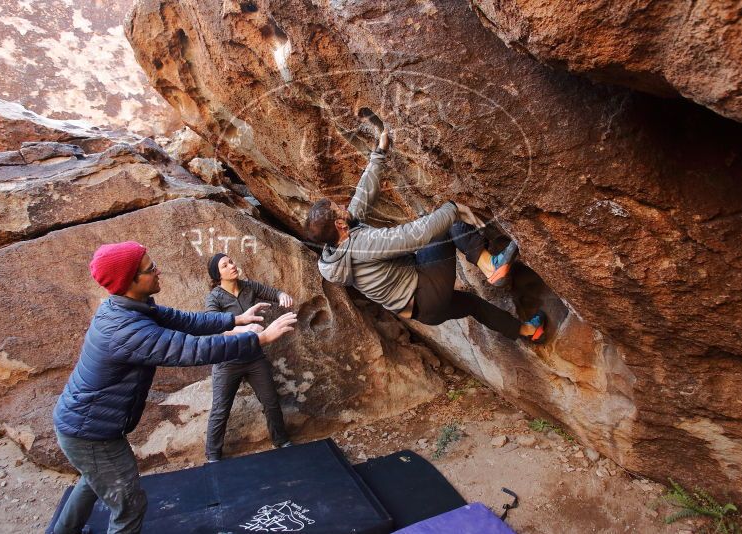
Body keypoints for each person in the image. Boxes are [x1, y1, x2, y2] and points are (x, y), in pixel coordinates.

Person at [51, 241, 297, 534]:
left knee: (93, 480)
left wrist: (235, 318)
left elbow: (185, 321)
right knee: (130, 506)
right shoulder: (127, 329)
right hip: (90, 432)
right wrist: (258, 339)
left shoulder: (133, 307)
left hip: (85, 425)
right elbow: (190, 349)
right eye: (150, 268)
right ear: (131, 281)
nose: (158, 271)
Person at [305, 128, 546, 342]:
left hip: (423, 312)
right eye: (339, 209)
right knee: (444, 224)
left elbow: (361, 199)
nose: (344, 207)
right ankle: (491, 266)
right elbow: (414, 236)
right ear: (339, 224)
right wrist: (452, 209)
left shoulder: (337, 249)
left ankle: (528, 331)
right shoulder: (361, 245)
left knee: (473, 304)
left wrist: (379, 153)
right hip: (426, 291)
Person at [203, 253, 294, 461]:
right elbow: (215, 329)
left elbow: (271, 291)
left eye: (231, 262)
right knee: (220, 409)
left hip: (254, 357)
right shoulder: (214, 297)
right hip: (228, 361)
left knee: (271, 401)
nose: (231, 266)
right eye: (225, 266)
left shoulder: (248, 286)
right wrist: (244, 331)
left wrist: (281, 295)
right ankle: (212, 455)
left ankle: (281, 441)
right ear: (218, 275)